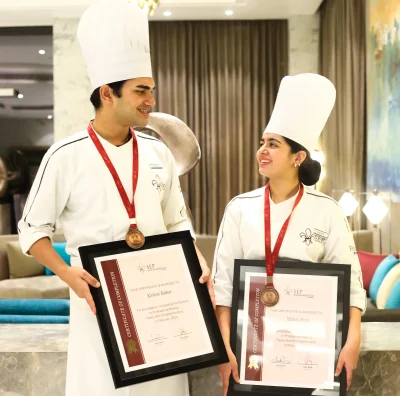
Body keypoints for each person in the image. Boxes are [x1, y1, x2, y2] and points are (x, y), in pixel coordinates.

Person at [18, 1, 213, 396]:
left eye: (151, 90)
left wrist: (197, 257)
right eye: (141, 91)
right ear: (107, 93)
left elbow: (177, 220)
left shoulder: (157, 152)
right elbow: (31, 229)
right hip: (101, 303)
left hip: (162, 297)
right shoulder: (65, 154)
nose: (150, 101)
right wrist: (68, 274)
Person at [212, 73, 366, 396]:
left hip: (311, 357)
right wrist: (223, 348)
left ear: (298, 158)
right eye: (262, 143)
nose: (262, 151)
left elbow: (351, 285)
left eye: (273, 144)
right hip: (250, 355)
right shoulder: (239, 209)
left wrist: (352, 342)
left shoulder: (328, 211)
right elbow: (223, 287)